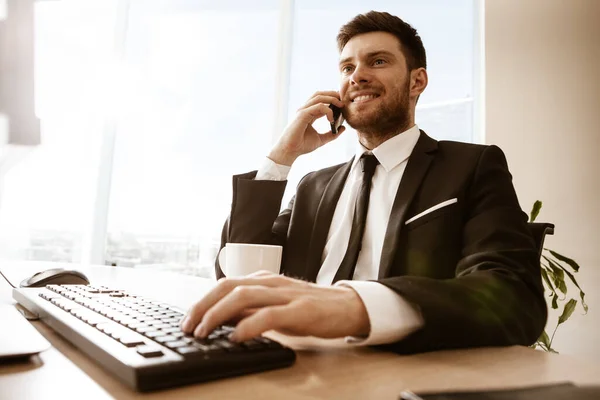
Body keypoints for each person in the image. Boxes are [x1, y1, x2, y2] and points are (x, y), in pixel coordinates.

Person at [180, 11, 547, 354]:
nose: (357, 75)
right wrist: (280, 159)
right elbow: (241, 276)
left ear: (417, 80)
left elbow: (514, 298)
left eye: (378, 61)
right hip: (297, 362)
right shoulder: (313, 186)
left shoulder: (471, 165)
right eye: (347, 67)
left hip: (399, 367)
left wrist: (357, 307)